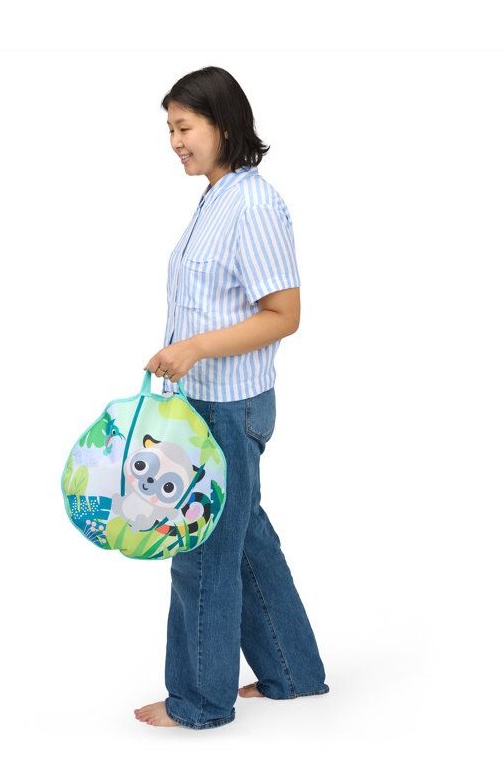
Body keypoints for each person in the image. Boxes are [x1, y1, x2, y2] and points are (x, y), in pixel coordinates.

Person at [134, 66, 329, 729]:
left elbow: (284, 314)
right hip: (204, 404)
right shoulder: (217, 197)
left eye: (184, 127)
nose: (174, 142)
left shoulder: (254, 205)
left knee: (202, 552)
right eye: (169, 129)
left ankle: (200, 702)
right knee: (244, 540)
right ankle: (293, 672)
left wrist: (195, 348)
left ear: (223, 125)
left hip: (229, 407)